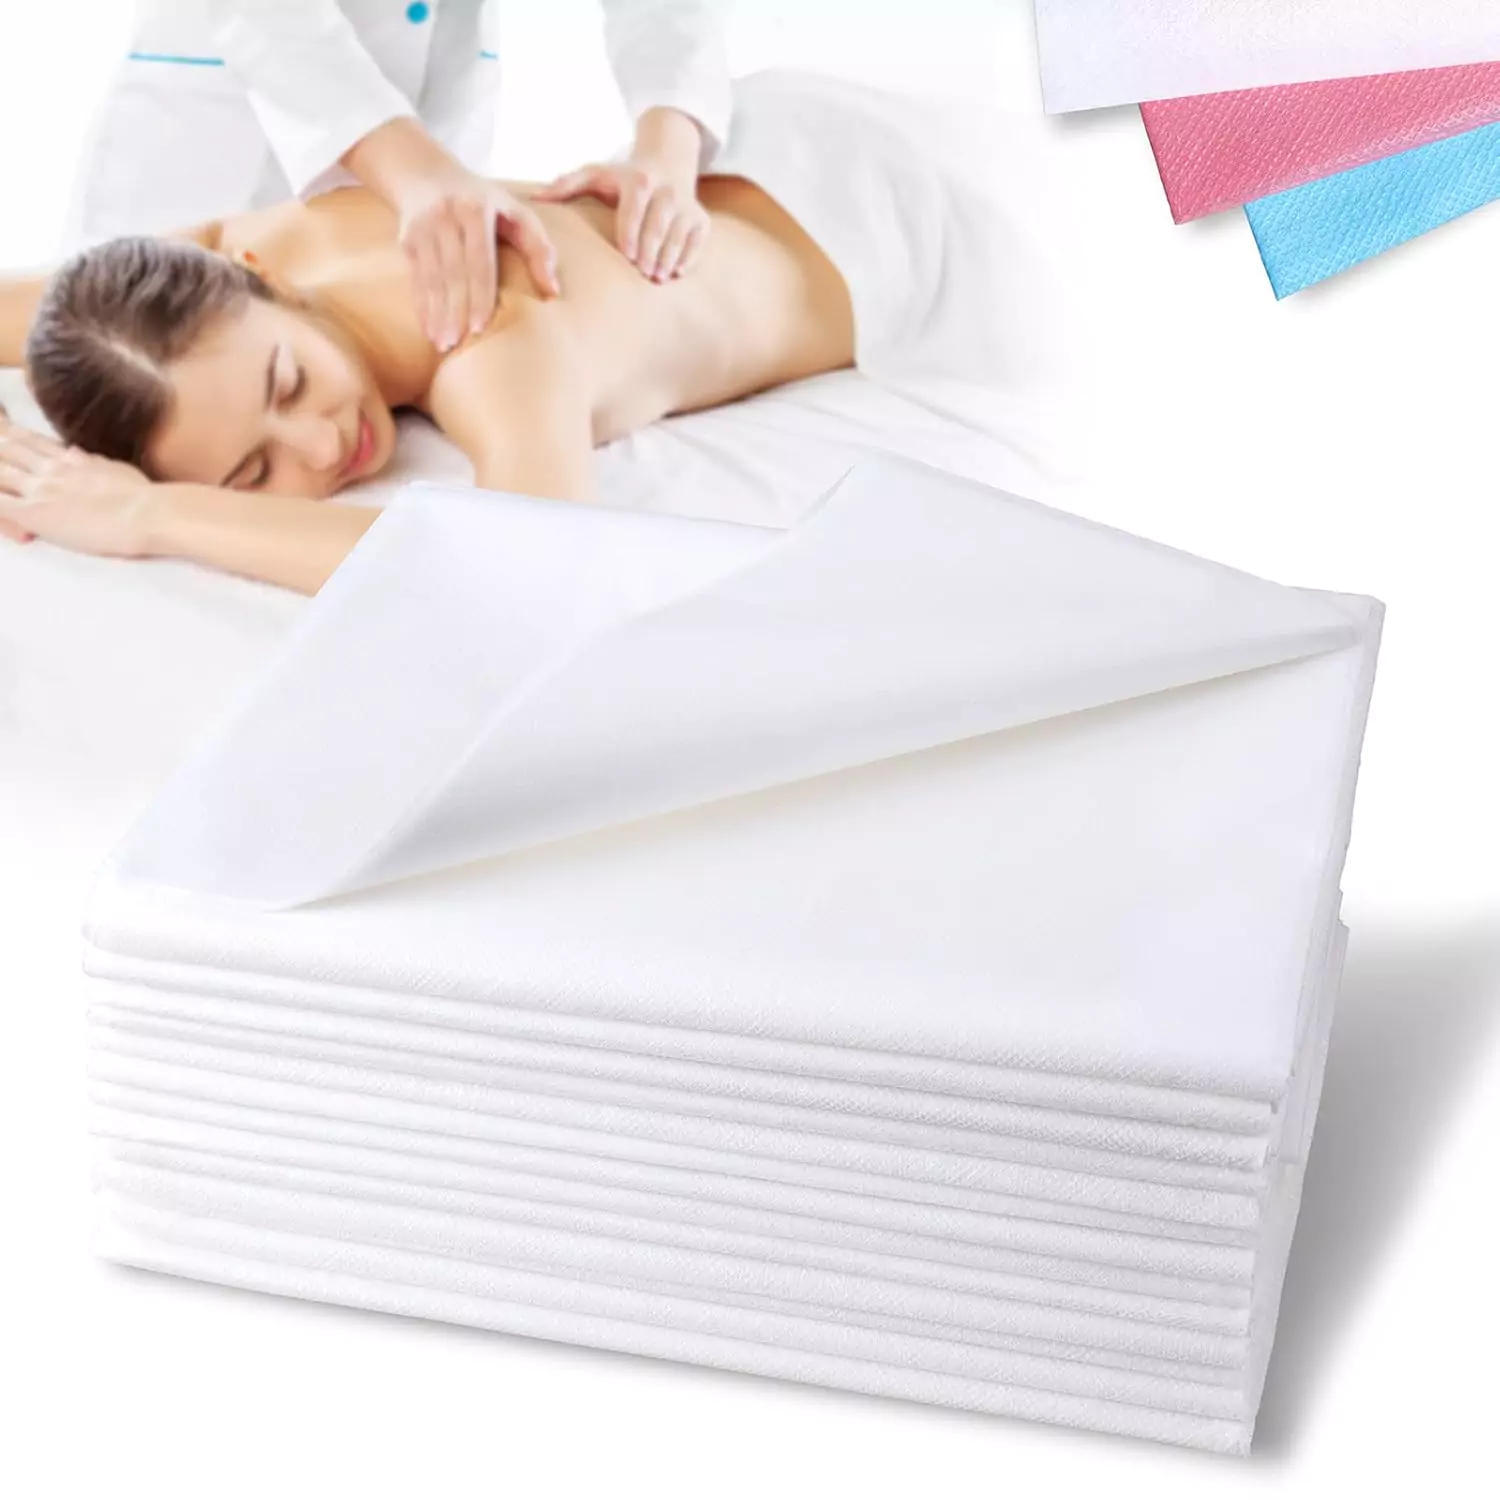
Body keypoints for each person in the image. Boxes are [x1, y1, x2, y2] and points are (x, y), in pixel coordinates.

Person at [4, 73, 945, 595]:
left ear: (267, 281)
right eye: (253, 473)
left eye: (289, 385)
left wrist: (151, 514)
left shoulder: (490, 334)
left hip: (905, 228)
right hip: (770, 151)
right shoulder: (248, 259)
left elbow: (522, 562)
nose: (322, 445)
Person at [69, 0, 731, 350]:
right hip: (217, 143)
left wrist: (668, 149)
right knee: (132, 357)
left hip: (429, 159)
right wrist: (415, 173)